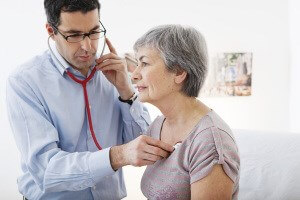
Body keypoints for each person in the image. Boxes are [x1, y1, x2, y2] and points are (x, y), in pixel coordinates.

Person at [6, 1, 174, 199]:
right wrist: (117, 156)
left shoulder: (114, 73)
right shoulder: (25, 81)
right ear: (51, 31)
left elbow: (141, 143)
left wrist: (126, 91)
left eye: (94, 32)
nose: (87, 46)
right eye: (74, 35)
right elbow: (47, 170)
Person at [131, 25, 240, 199]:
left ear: (179, 72)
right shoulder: (159, 125)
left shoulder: (210, 142)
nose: (134, 75)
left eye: (144, 63)